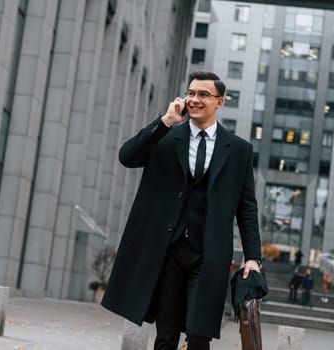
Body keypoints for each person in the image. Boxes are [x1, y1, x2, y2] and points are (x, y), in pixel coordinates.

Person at [101, 70, 262, 350]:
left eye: (203, 94)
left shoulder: (238, 151)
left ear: (219, 102)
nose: (194, 99)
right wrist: (165, 122)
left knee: (199, 336)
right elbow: (127, 157)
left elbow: (246, 207)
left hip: (208, 254)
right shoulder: (166, 137)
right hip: (168, 251)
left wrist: (253, 257)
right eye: (190, 93)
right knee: (166, 335)